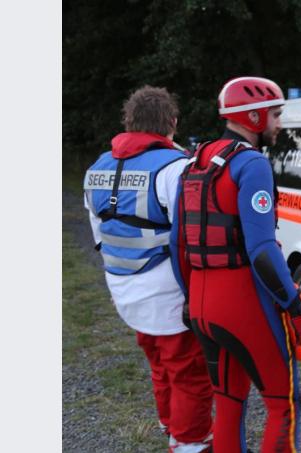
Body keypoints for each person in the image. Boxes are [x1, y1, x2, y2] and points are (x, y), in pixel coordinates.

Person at [170, 76, 301, 452]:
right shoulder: (251, 165)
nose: (279, 123)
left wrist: (192, 297)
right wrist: (296, 307)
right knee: (282, 405)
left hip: (202, 306)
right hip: (240, 304)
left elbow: (178, 246)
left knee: (229, 402)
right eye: (275, 114)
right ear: (253, 116)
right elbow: (263, 251)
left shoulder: (194, 161)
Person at [83, 86, 213, 453]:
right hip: (169, 292)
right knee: (190, 372)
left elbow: (98, 231)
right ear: (171, 123)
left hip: (123, 287)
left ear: (129, 121)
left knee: (158, 360)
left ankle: (170, 424)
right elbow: (191, 238)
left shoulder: (97, 167)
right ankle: (191, 442)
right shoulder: (176, 168)